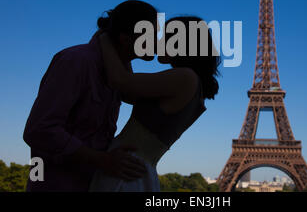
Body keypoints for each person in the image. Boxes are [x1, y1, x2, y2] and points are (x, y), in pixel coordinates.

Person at [23, 0, 158, 191]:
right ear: (126, 39)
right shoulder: (76, 62)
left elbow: (132, 92)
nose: (157, 41)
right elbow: (39, 129)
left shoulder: (113, 72)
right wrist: (102, 160)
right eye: (152, 34)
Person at [89, 16, 220, 191]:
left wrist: (106, 38)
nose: (158, 42)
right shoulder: (192, 84)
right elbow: (128, 90)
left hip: (125, 170)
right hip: (134, 170)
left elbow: (119, 81)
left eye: (165, 37)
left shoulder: (185, 77)